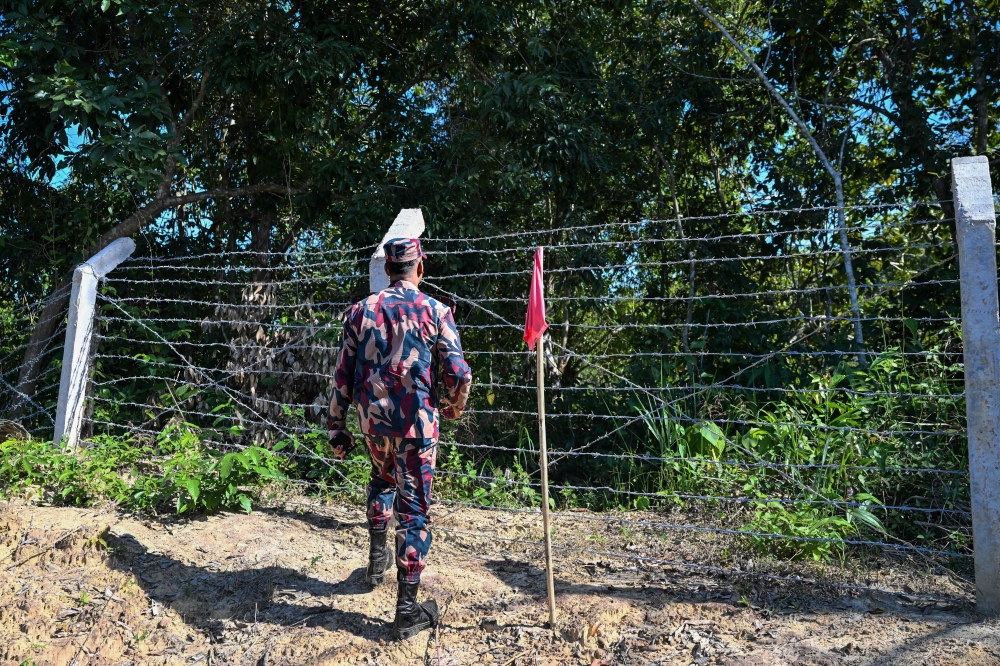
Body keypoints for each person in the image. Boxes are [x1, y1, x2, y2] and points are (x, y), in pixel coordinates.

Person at [327, 237, 472, 640]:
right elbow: (460, 375)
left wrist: (336, 425)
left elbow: (342, 375)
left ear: (388, 269)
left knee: (381, 481)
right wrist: (453, 407)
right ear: (419, 267)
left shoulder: (360, 311)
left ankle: (376, 565)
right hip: (418, 427)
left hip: (374, 424)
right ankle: (407, 611)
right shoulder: (436, 311)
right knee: (415, 513)